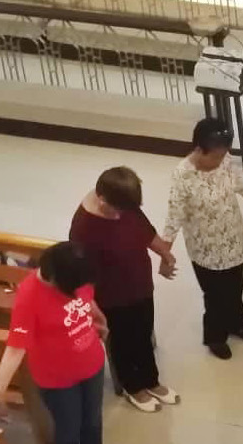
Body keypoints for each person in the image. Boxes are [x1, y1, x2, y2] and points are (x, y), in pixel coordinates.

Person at [0, 241, 116, 444]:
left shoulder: (76, 272)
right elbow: (15, 348)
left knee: (92, 421)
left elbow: (87, 301)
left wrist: (99, 319)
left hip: (91, 363)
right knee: (68, 427)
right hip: (56, 378)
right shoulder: (29, 297)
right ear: (57, 279)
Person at [69, 167, 178, 413]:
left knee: (143, 331)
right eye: (117, 210)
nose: (121, 215)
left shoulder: (125, 204)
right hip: (111, 295)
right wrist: (91, 305)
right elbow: (81, 271)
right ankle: (132, 386)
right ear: (102, 199)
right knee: (122, 342)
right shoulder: (84, 227)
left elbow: (144, 231)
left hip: (139, 284)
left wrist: (165, 253)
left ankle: (151, 380)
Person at [162, 117, 243, 359]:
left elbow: (240, 184)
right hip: (206, 248)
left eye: (223, 155)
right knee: (215, 295)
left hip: (232, 239)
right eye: (215, 156)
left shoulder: (225, 161)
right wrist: (165, 253)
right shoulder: (182, 175)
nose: (220, 160)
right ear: (199, 149)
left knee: (235, 286)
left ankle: (237, 323)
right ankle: (215, 336)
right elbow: (174, 214)